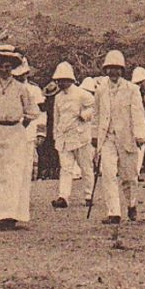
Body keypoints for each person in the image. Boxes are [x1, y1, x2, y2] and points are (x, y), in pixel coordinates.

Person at [0, 44, 41, 229]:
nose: (4, 69)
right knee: (0, 174)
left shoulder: (21, 88)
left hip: (15, 132)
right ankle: (2, 214)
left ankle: (11, 215)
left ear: (12, 68)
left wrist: (20, 125)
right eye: (1, 66)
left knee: (15, 173)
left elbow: (33, 112)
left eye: (8, 66)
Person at [92, 50, 145, 223]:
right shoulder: (100, 90)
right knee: (108, 173)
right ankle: (113, 212)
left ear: (122, 70)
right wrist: (94, 135)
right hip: (107, 138)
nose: (113, 72)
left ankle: (131, 204)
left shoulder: (132, 89)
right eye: (110, 68)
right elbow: (96, 114)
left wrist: (139, 135)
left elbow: (138, 113)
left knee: (129, 176)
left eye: (116, 69)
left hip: (127, 137)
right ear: (105, 70)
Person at [50, 62, 94, 207]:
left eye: (63, 80)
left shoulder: (82, 94)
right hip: (64, 137)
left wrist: (85, 115)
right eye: (59, 80)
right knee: (66, 168)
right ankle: (63, 197)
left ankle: (89, 195)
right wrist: (56, 135)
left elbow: (95, 107)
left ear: (70, 79)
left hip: (80, 136)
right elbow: (57, 117)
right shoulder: (58, 97)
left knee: (86, 167)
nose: (60, 83)